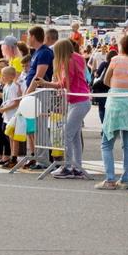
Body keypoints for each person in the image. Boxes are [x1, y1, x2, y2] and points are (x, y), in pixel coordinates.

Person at [40, 39, 90, 179]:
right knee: (74, 136)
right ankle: (77, 166)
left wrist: (46, 83)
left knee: (66, 133)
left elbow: (64, 83)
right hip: (81, 100)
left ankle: (68, 166)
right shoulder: (78, 58)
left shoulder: (67, 62)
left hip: (78, 101)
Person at [97, 34, 128, 190]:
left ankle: (109, 179)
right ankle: (126, 179)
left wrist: (114, 85)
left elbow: (105, 80)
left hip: (114, 103)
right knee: (127, 145)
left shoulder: (115, 60)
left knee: (106, 144)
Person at [22, 25, 54, 169]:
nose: (27, 38)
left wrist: (28, 91)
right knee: (36, 128)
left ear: (34, 36)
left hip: (40, 92)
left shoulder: (45, 52)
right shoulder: (36, 53)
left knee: (41, 127)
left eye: (28, 36)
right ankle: (38, 157)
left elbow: (39, 75)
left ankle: (43, 160)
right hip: (35, 92)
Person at [0, 65, 25, 168]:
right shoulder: (6, 86)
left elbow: (16, 102)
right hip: (7, 116)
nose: (2, 77)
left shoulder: (14, 87)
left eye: (4, 75)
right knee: (9, 137)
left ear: (12, 76)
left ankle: (14, 158)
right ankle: (12, 156)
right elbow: (6, 100)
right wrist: (3, 107)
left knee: (13, 138)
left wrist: (4, 109)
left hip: (13, 115)